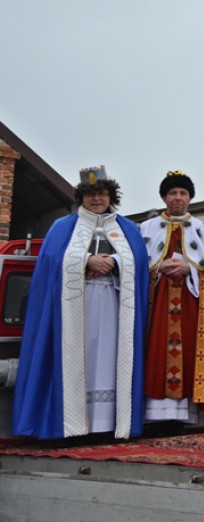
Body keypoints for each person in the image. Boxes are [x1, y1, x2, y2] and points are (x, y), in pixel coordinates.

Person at [13, 166, 149, 439]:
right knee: (82, 357)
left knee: (110, 357)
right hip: (77, 308)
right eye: (90, 195)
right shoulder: (62, 227)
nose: (96, 199)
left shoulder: (127, 229)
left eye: (101, 193)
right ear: (81, 197)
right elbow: (50, 264)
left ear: (111, 195)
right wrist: (87, 261)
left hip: (113, 304)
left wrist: (117, 261)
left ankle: (109, 425)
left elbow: (141, 263)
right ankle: (73, 426)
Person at [139, 171, 204, 422]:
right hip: (156, 303)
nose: (178, 198)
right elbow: (133, 263)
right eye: (173, 193)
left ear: (190, 198)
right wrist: (156, 267)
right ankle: (153, 415)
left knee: (187, 352)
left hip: (189, 302)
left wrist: (192, 268)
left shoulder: (202, 230)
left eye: (183, 193)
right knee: (155, 351)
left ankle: (184, 416)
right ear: (164, 197)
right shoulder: (146, 228)